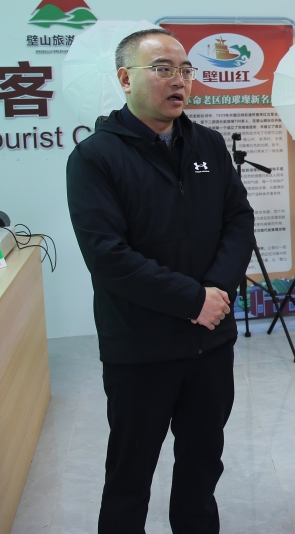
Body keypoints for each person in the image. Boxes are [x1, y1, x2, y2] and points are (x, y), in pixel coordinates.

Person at [66, 28, 255, 534]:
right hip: (140, 347)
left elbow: (238, 220)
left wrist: (215, 293)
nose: (179, 81)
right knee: (130, 474)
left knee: (202, 466)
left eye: (186, 70)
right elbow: (107, 256)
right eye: (163, 69)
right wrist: (193, 299)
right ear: (125, 79)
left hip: (209, 343)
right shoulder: (95, 157)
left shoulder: (207, 144)